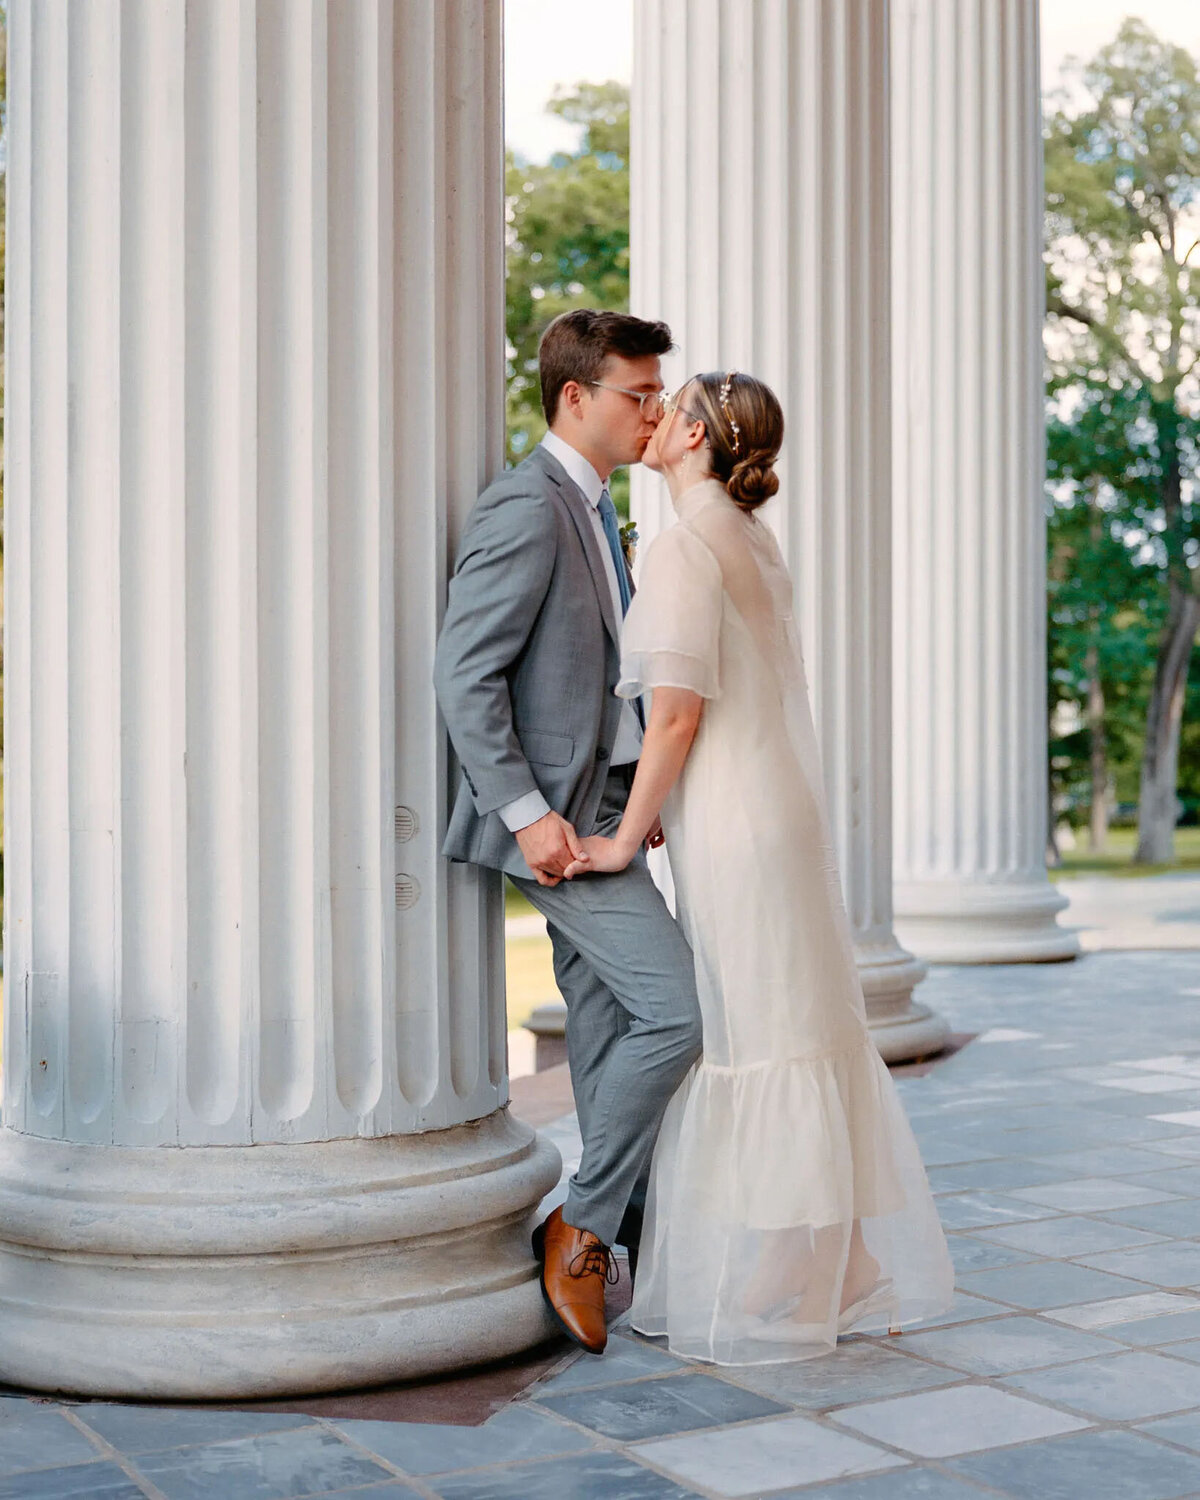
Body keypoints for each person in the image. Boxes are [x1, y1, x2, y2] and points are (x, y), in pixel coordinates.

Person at [564, 370, 955, 1363]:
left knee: (759, 1032)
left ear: (692, 433)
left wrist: (623, 832)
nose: (652, 420)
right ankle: (850, 1255)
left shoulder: (692, 542)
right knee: (800, 1018)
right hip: (770, 808)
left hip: (737, 820)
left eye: (668, 406)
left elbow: (681, 714)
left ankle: (792, 1258)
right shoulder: (746, 534)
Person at [433, 309, 703, 1357]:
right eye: (638, 395)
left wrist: (644, 796)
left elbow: (604, 683)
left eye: (656, 393)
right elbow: (468, 674)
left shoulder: (595, 510)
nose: (654, 413)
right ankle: (581, 1226)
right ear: (574, 397)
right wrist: (529, 816)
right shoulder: (527, 507)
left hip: (607, 810)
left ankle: (621, 1235)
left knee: (603, 1029)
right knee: (678, 1016)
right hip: (561, 827)